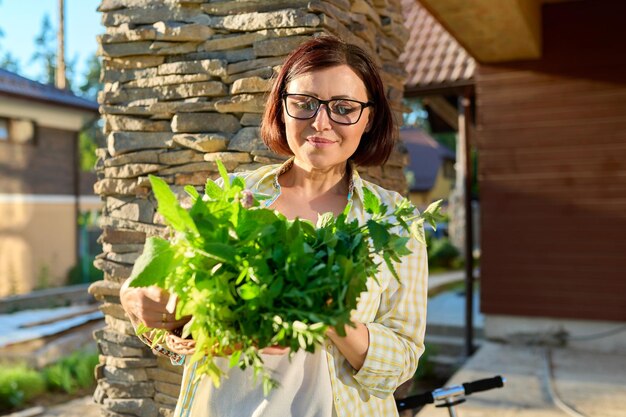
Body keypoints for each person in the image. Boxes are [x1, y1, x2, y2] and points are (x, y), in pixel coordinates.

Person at [120, 35, 428, 417]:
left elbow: (402, 361)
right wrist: (144, 308)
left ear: (368, 119)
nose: (321, 122)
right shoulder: (231, 195)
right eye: (304, 103)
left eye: (344, 108)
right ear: (282, 108)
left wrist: (332, 316)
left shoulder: (394, 222)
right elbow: (168, 297)